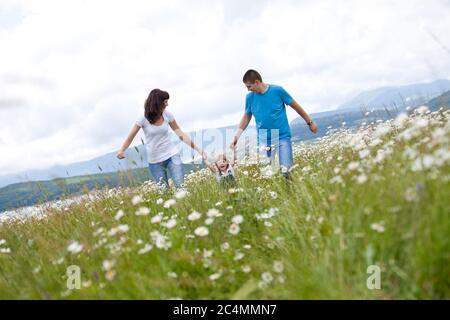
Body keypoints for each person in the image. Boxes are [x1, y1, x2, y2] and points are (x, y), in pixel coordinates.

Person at [230, 69, 318, 177]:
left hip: (282, 136)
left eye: (249, 86)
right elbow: (246, 117)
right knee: (268, 174)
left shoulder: (278, 91)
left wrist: (310, 122)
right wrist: (236, 137)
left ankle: (290, 191)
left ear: (257, 82)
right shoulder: (250, 97)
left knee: (286, 171)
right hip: (263, 139)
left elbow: (296, 107)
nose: (248, 90)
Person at [117, 89, 207, 188]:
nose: (167, 104)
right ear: (158, 102)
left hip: (172, 155)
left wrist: (199, 150)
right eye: (165, 101)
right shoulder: (143, 118)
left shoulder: (168, 115)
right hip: (155, 161)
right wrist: (122, 150)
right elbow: (130, 137)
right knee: (164, 192)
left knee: (180, 186)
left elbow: (180, 134)